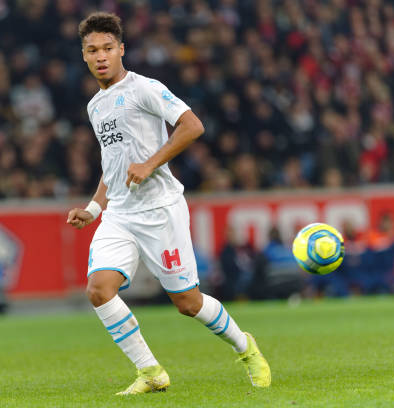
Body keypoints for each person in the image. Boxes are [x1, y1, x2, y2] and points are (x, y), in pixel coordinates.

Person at [66, 13, 271, 395]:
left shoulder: (145, 88)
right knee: (98, 289)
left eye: (108, 48)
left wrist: (150, 163)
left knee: (188, 303)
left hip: (161, 210)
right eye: (92, 50)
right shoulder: (95, 107)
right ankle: (150, 372)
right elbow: (111, 167)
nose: (101, 56)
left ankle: (246, 348)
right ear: (83, 55)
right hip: (120, 216)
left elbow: (193, 125)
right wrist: (93, 210)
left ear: (121, 49)